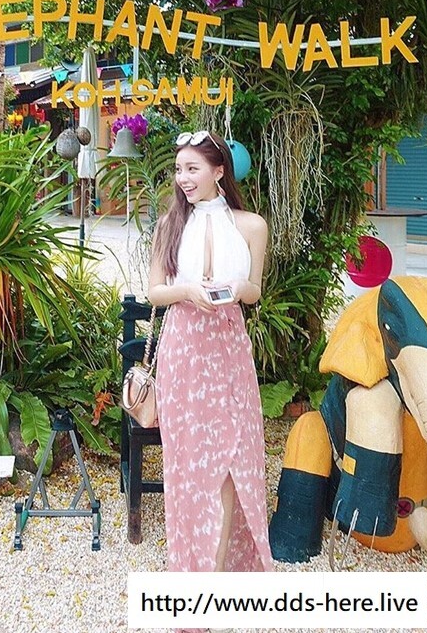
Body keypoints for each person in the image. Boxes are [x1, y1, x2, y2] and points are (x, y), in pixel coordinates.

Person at [148, 130, 273, 626]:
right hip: (184, 351)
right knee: (189, 467)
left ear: (219, 171)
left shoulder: (252, 225)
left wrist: (238, 287)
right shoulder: (169, 224)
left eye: (192, 169)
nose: (183, 178)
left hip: (228, 351)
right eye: (179, 170)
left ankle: (217, 579)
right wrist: (185, 291)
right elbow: (154, 291)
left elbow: (255, 290)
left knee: (230, 461)